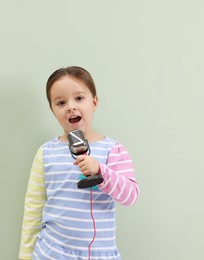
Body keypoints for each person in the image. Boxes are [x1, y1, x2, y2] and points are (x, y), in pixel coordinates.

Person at [18, 66, 139, 260]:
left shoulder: (113, 150)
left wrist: (101, 170)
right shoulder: (46, 152)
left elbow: (131, 196)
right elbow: (33, 207)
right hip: (51, 252)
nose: (71, 107)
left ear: (94, 102)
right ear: (52, 110)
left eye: (79, 98)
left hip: (99, 254)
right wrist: (25, 256)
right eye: (61, 102)